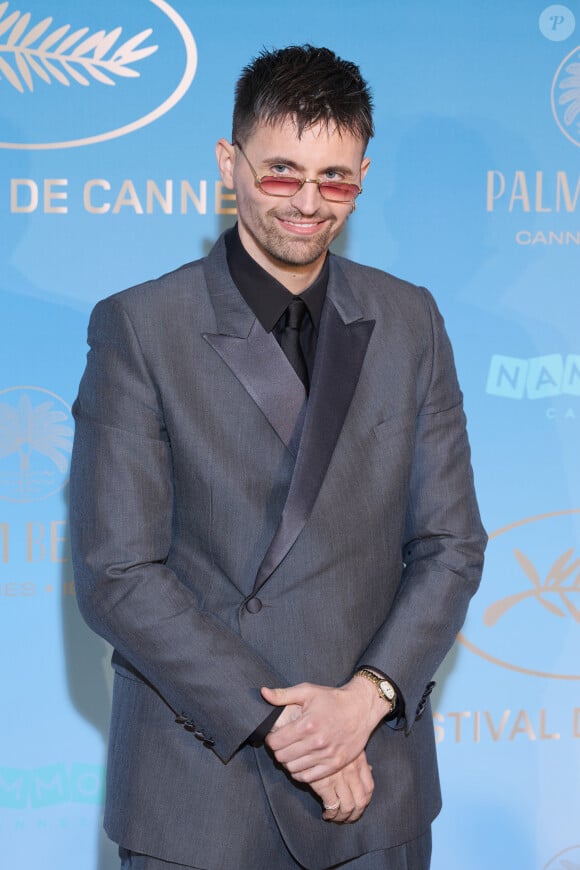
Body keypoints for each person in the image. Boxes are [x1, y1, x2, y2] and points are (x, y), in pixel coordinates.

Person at [70, 44, 486, 870]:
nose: (306, 202)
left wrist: (363, 703)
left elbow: (450, 545)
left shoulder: (410, 321)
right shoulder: (141, 328)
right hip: (200, 788)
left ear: (363, 173)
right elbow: (118, 573)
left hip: (375, 787)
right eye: (281, 173)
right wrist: (291, 729)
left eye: (335, 178)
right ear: (230, 164)